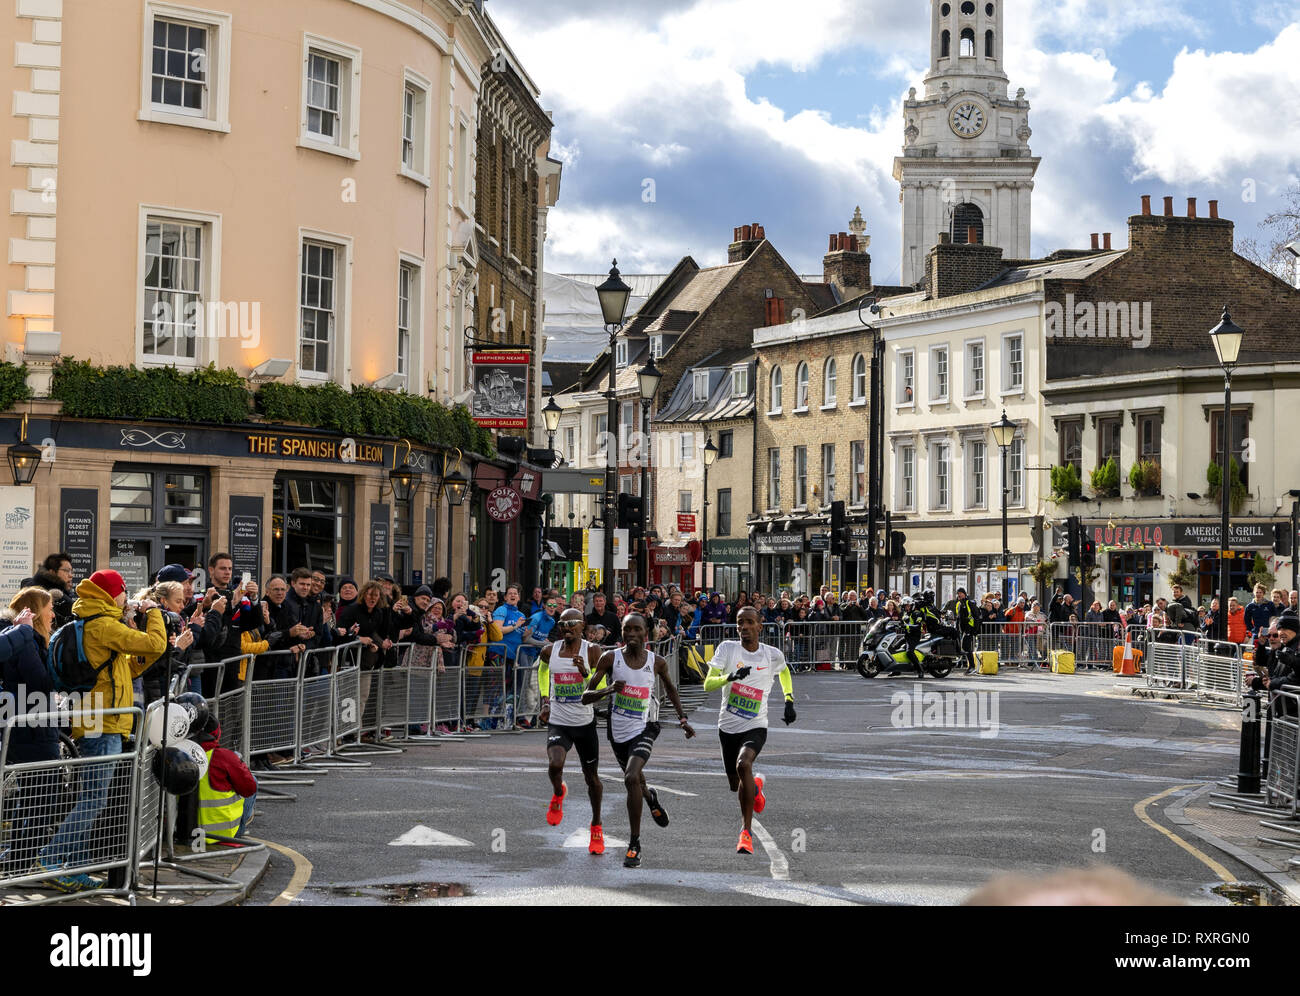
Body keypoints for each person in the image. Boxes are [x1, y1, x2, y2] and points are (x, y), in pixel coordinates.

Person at [34, 570, 167, 892]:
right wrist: (155, 613)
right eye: (123, 592)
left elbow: (123, 668)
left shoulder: (97, 622)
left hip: (99, 719)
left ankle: (75, 868)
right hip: (103, 723)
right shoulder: (104, 625)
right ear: (111, 594)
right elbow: (156, 643)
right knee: (94, 798)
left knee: (91, 796)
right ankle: (51, 859)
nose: (127, 599)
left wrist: (141, 656)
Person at [582, 614, 695, 868]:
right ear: (621, 632)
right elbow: (586, 697)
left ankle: (634, 843)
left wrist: (683, 719)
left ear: (647, 633)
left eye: (637, 629)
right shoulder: (610, 658)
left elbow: (670, 689)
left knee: (631, 777)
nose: (631, 634)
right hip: (618, 730)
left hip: (646, 726)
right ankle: (651, 798)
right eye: (627, 629)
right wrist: (609, 690)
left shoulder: (657, 662)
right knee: (637, 782)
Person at [702, 607, 796, 855]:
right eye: (739, 623)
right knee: (737, 785)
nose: (744, 627)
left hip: (756, 725)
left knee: (743, 764)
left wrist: (789, 699)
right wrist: (729, 677)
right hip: (728, 726)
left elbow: (784, 671)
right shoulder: (727, 649)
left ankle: (745, 833)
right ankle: (754, 787)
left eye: (749, 622)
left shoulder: (771, 655)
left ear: (759, 627)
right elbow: (707, 684)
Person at [538, 609, 606, 854]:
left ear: (582, 626)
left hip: (584, 723)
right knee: (555, 765)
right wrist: (545, 699)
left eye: (572, 624)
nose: (567, 628)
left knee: (592, 779)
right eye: (562, 624)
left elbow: (604, 687)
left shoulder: (592, 651)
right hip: (559, 720)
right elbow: (542, 671)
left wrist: (586, 674)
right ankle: (558, 793)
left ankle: (596, 825)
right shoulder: (550, 650)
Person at [195, 714, 258, 841]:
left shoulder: (180, 754)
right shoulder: (224, 757)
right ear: (217, 734)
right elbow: (249, 789)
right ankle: (242, 825)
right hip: (224, 835)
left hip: (186, 832)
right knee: (253, 781)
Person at [953, 587, 979, 671]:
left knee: (966, 646)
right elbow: (958, 617)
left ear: (964, 594)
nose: (959, 595)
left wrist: (975, 630)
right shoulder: (958, 604)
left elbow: (977, 616)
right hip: (962, 629)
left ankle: (972, 666)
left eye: (960, 593)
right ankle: (965, 664)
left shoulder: (969, 602)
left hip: (969, 628)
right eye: (958, 593)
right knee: (963, 647)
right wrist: (957, 628)